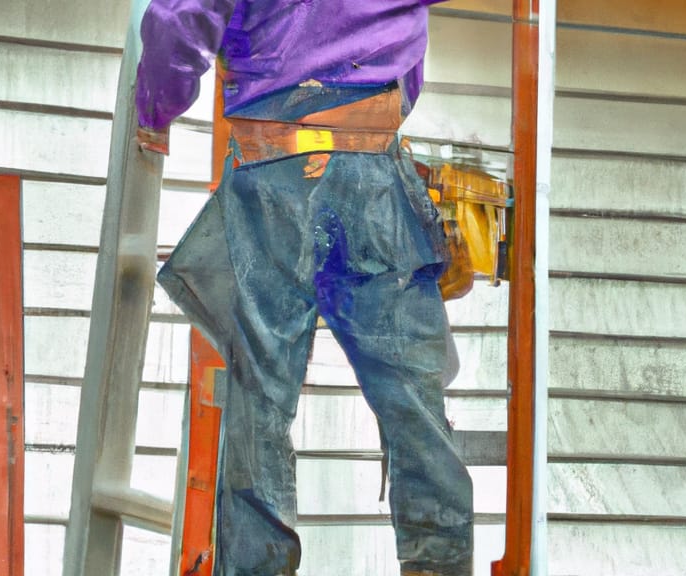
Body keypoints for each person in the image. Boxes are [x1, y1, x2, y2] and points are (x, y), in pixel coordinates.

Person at [136, 2, 474, 574]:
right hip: (376, 170)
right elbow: (409, 59)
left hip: (273, 169)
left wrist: (155, 109)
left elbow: (180, 18)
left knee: (259, 401)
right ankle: (439, 563)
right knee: (416, 405)